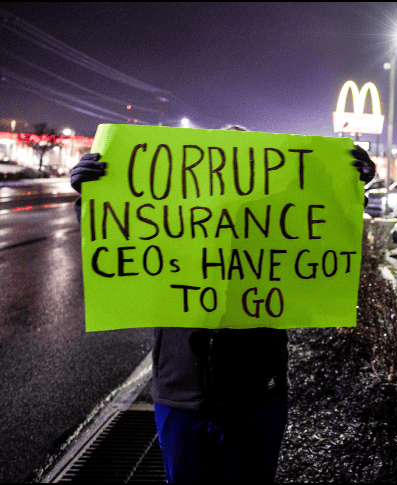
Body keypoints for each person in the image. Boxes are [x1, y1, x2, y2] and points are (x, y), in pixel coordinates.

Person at [71, 130, 375, 483]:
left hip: (258, 397)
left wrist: (351, 189)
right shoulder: (177, 221)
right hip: (181, 396)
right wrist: (93, 196)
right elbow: (123, 239)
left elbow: (325, 229)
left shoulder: (271, 221)